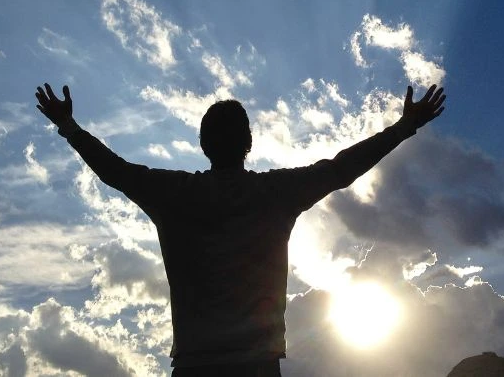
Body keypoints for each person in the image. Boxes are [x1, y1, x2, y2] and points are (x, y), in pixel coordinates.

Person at [35, 82, 445, 377]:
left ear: (201, 143)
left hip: (195, 366)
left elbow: (116, 171)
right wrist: (404, 126)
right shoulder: (275, 193)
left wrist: (69, 127)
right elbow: (340, 169)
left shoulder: (173, 194)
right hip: (257, 368)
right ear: (249, 142)